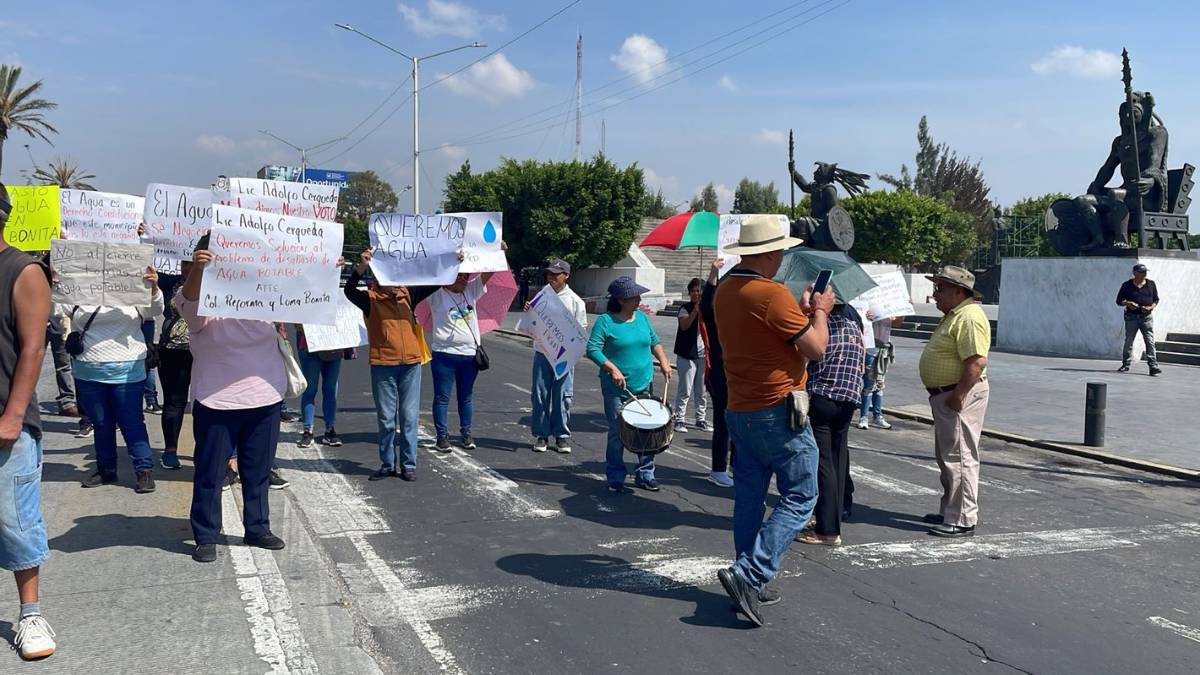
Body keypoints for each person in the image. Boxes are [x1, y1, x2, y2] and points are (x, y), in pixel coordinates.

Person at [713, 214, 833, 627]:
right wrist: (819, 311)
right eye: (780, 249)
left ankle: (747, 575)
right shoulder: (771, 294)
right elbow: (816, 348)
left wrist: (798, 314)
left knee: (749, 496)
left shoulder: (726, 289)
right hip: (777, 409)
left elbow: (769, 335)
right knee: (802, 494)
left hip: (740, 407)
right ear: (768, 253)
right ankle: (750, 574)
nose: (783, 255)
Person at [177, 236, 288, 563]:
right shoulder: (195, 301)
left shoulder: (267, 293)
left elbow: (304, 299)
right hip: (217, 400)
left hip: (265, 396)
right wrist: (198, 271)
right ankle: (206, 535)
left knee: (258, 470)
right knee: (210, 472)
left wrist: (324, 271)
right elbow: (191, 309)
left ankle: (257, 528)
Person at [0, 186, 57, 659]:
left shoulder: (24, 272)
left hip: (6, 424)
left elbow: (34, 348)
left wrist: (13, 416)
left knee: (15, 521)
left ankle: (31, 615)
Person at [63, 268, 163, 494]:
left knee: (132, 422)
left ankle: (144, 470)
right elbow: (57, 316)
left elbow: (154, 310)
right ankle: (106, 469)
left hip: (127, 370)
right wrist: (57, 284)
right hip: (88, 371)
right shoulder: (79, 291)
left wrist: (154, 287)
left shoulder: (132, 292)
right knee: (101, 423)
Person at [344, 248, 440, 481]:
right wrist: (360, 267)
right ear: (378, 278)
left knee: (409, 416)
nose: (394, 282)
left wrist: (453, 261)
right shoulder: (370, 300)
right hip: (383, 364)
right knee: (386, 418)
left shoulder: (409, 295)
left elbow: (437, 281)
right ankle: (387, 463)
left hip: (410, 365)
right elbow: (348, 291)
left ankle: (408, 464)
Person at [919, 265, 991, 538]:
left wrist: (958, 396)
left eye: (941, 288)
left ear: (959, 292)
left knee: (960, 457)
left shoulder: (969, 316)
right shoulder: (955, 314)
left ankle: (961, 517)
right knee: (948, 455)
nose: (935, 294)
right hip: (947, 394)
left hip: (957, 394)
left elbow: (976, 361)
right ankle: (950, 508)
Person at [586, 276, 672, 493]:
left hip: (643, 384)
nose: (639, 299)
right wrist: (612, 369)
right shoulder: (605, 321)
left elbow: (655, 341)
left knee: (648, 430)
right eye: (634, 296)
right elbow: (593, 349)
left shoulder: (641, 317)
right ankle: (615, 474)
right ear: (620, 300)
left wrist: (663, 362)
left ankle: (646, 473)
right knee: (618, 432)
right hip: (617, 388)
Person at [797, 295, 865, 547]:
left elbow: (805, 357)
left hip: (823, 397)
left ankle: (827, 529)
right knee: (837, 462)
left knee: (823, 464)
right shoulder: (853, 326)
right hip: (848, 399)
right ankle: (831, 521)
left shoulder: (822, 328)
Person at [427, 263, 502, 453]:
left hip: (469, 355)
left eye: (466, 276)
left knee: (466, 396)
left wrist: (496, 253)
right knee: (442, 397)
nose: (464, 279)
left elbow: (489, 271)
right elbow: (428, 275)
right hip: (444, 354)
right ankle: (442, 437)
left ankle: (466, 434)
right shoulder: (437, 295)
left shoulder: (470, 291)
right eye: (459, 275)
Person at [527, 259, 587, 453]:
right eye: (549, 274)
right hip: (543, 352)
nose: (551, 277)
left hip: (564, 357)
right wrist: (529, 311)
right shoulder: (541, 297)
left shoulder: (575, 301)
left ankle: (561, 435)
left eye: (556, 274)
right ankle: (541, 434)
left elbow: (581, 332)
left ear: (566, 276)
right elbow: (532, 323)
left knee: (562, 395)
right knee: (540, 393)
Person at [157, 260, 195, 471]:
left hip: (207, 353)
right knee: (174, 402)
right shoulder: (169, 283)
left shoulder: (215, 283)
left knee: (205, 404)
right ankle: (170, 450)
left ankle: (206, 449)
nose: (187, 267)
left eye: (191, 262)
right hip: (173, 352)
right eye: (184, 263)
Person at [699, 259, 733, 488]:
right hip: (720, 371)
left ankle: (736, 467)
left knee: (740, 423)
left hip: (740, 373)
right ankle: (719, 469)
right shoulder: (714, 315)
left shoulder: (738, 314)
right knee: (723, 422)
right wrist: (713, 273)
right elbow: (706, 303)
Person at [295, 326, 349, 449]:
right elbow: (297, 322)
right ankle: (308, 431)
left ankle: (330, 429)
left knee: (330, 389)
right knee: (310, 389)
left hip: (334, 344)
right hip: (311, 344)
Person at [671, 277, 709, 434]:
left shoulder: (708, 308)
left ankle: (701, 418)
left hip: (702, 355)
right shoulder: (685, 309)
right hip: (687, 354)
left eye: (699, 291)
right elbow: (684, 325)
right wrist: (695, 311)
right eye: (693, 291)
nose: (696, 293)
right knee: (685, 389)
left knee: (702, 390)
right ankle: (679, 418)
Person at [857, 310, 903, 430]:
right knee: (869, 384)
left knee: (879, 385)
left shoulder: (890, 309)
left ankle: (877, 416)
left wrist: (903, 310)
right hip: (872, 348)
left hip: (883, 350)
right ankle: (864, 417)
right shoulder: (871, 307)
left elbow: (897, 322)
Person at [1116, 263, 1161, 376]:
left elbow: (1156, 299)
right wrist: (1128, 303)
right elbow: (1119, 301)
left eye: (1145, 272)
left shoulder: (1151, 284)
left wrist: (1151, 307)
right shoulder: (1127, 285)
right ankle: (1126, 363)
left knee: (1149, 341)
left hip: (1146, 317)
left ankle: (1153, 365)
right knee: (1129, 341)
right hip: (1131, 317)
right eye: (1142, 272)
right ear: (1135, 273)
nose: (1144, 274)